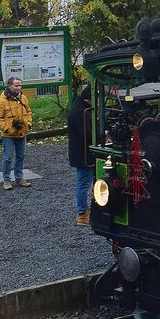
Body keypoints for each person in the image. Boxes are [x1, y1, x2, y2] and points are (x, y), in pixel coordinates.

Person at [0, 76, 33, 189]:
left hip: (22, 132)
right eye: (16, 85)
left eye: (20, 85)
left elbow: (29, 111)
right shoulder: (2, 101)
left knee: (21, 156)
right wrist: (7, 129)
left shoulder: (24, 98)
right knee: (8, 158)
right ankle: (6, 180)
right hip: (8, 135)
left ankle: (19, 178)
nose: (18, 88)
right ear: (9, 86)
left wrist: (28, 123)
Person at [68, 84, 94, 225]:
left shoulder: (79, 108)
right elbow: (87, 133)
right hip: (83, 153)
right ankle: (82, 213)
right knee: (84, 183)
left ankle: (84, 211)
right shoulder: (80, 112)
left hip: (82, 152)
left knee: (84, 182)